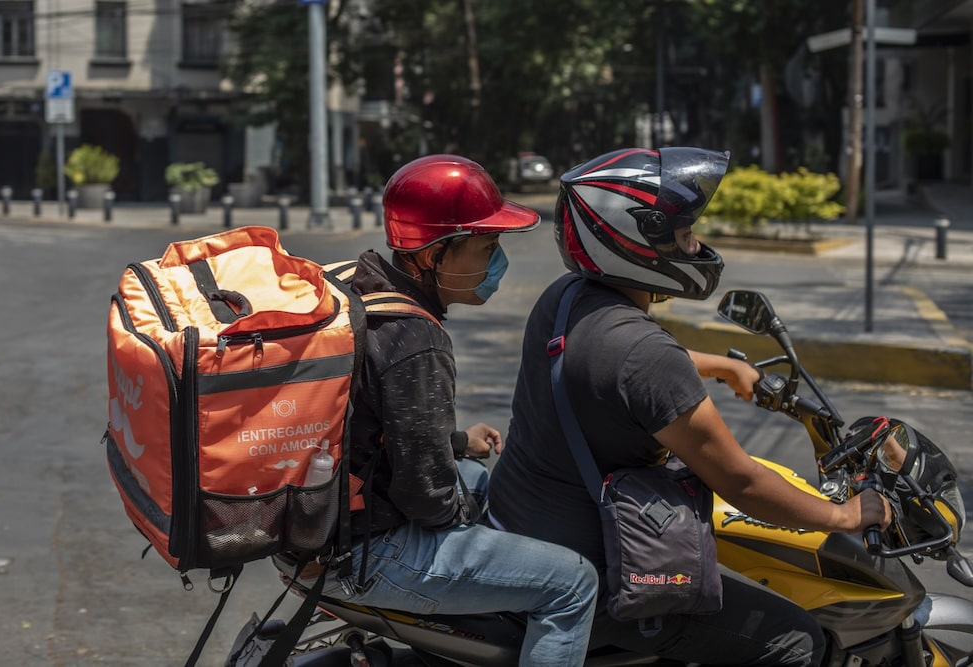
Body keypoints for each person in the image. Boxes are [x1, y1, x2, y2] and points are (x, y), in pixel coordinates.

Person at [486, 147, 892, 666]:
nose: (695, 245)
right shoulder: (644, 356)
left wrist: (721, 366)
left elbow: (619, 371)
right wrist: (844, 514)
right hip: (595, 572)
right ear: (634, 241)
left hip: (522, 528)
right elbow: (742, 483)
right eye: (682, 234)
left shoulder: (566, 298)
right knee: (796, 641)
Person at [307, 154, 598, 667]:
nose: (497, 262)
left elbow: (373, 424)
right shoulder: (415, 338)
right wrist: (465, 515)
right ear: (433, 254)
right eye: (487, 247)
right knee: (572, 583)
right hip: (364, 554)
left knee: (477, 478)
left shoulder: (360, 283)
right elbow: (427, 498)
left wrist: (457, 443)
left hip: (319, 526)